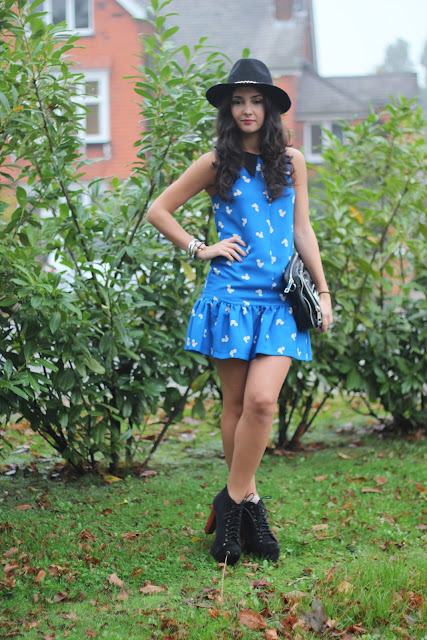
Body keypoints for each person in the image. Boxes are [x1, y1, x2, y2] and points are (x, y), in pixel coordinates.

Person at [146, 58, 333, 565]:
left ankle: (230, 504)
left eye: (256, 100)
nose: (247, 109)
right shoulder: (215, 162)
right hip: (229, 299)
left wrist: (322, 291)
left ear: (270, 107)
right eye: (238, 101)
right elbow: (159, 210)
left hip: (280, 301)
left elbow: (302, 230)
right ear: (228, 109)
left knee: (262, 402)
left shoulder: (291, 161)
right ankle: (249, 508)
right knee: (234, 406)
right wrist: (200, 247)